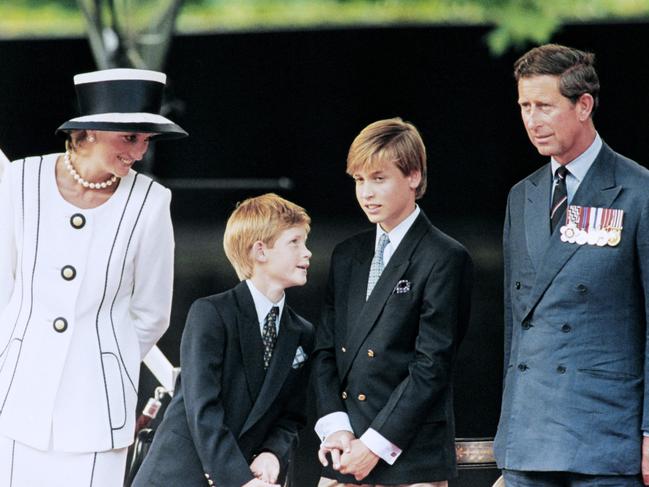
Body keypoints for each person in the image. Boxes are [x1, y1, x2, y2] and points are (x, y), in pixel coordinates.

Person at [0, 68, 187, 486]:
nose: (139, 153)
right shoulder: (21, 181)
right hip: (15, 397)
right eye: (129, 138)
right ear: (91, 132)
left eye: (145, 141)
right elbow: (2, 283)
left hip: (97, 409)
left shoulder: (151, 203)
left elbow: (152, 312)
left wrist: (106, 357)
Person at [494, 43, 649, 487]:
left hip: (604, 435)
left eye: (545, 105)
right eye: (524, 106)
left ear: (584, 105)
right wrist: (510, 433)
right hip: (527, 437)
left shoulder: (637, 191)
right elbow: (515, 323)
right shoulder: (522, 196)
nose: (532, 120)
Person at [312, 117, 473, 486]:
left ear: (413, 176)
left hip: (410, 457)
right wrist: (336, 429)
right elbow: (325, 351)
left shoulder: (445, 256)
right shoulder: (346, 254)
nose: (366, 192)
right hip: (344, 452)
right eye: (359, 180)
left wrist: (374, 445)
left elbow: (431, 365)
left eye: (378, 178)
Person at [132, 193, 315, 487]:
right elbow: (203, 408)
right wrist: (238, 479)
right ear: (260, 251)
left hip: (250, 475)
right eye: (294, 242)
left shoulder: (302, 332)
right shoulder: (211, 314)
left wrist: (272, 453)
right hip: (180, 476)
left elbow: (291, 416)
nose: (307, 253)